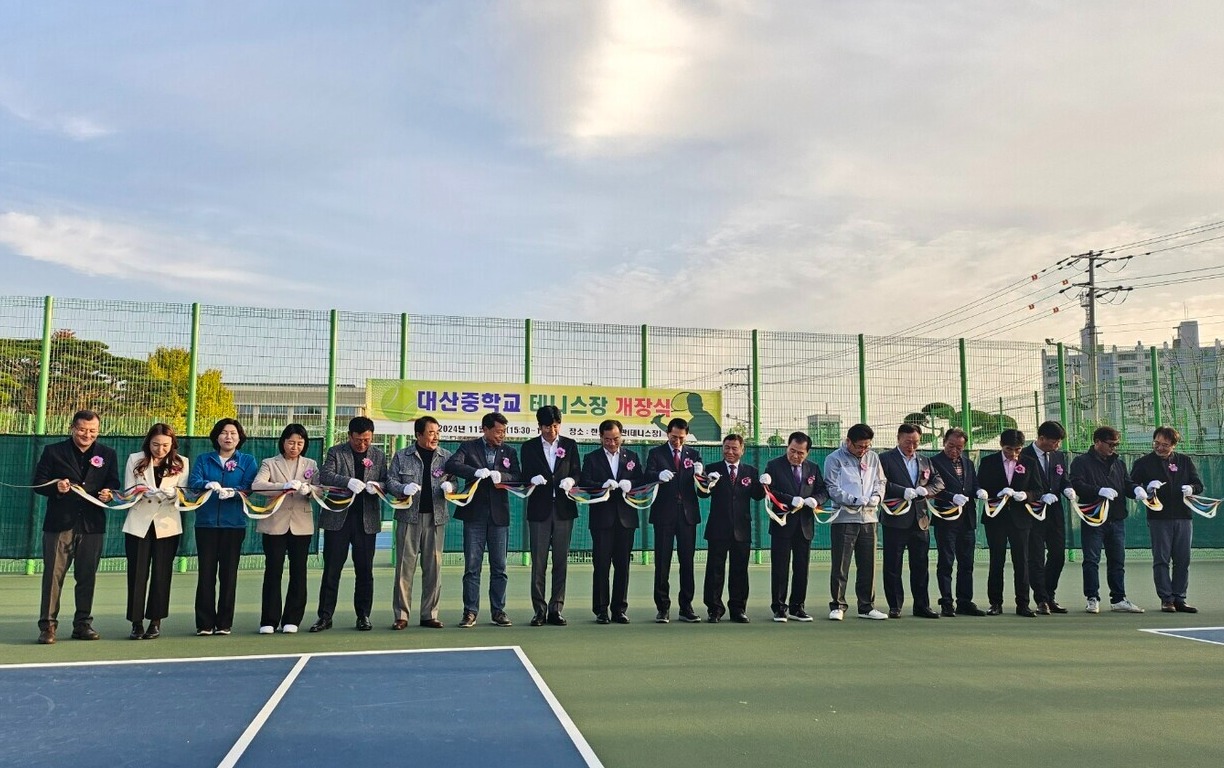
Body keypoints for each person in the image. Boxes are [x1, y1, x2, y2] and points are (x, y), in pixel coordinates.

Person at [33, 409, 119, 644]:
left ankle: (82, 625)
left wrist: (108, 493)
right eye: (82, 429)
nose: (87, 435)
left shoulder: (108, 454)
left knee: (87, 576)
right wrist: (56, 487)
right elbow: (38, 484)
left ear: (98, 431)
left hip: (92, 525)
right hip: (59, 524)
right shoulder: (53, 451)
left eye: (92, 431)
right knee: (52, 576)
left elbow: (114, 483)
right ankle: (48, 626)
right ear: (72, 428)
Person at [311, 416, 388, 632]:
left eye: (367, 440)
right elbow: (325, 475)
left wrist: (377, 486)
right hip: (338, 519)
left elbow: (387, 480)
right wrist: (347, 481)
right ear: (349, 436)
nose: (362, 444)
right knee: (332, 569)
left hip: (367, 520)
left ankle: (363, 615)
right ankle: (325, 616)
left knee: (365, 571)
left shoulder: (379, 455)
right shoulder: (336, 452)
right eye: (358, 440)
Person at [445, 411, 520, 628]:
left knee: (500, 567)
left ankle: (498, 611)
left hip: (499, 516)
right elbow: (452, 465)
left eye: (504, 432)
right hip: (474, 515)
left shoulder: (509, 451)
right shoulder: (468, 448)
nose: (501, 435)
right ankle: (470, 612)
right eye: (497, 431)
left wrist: (501, 476)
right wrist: (475, 472)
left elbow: (517, 476)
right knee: (472, 566)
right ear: (485, 429)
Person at [188, 417, 258, 636]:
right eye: (224, 433)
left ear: (240, 437)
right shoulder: (203, 459)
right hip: (206, 524)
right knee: (206, 574)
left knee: (228, 574)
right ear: (216, 436)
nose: (229, 437)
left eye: (233, 433)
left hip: (234, 525)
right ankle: (204, 624)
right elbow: (194, 482)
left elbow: (249, 487)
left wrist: (235, 492)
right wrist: (207, 484)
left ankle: (225, 623)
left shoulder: (247, 460)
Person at [1069, 425, 1147, 614]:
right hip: (1093, 518)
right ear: (1097, 442)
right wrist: (1098, 491)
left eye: (1116, 444)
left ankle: (1119, 599)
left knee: (1117, 560)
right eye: (1110, 444)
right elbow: (1077, 484)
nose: (1114, 448)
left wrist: (1136, 490)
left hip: (1116, 519)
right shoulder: (1081, 462)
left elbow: (1126, 484)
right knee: (1091, 559)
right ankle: (1092, 598)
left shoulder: (1119, 463)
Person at [122, 423, 188, 640]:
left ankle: (156, 621)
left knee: (162, 574)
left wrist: (173, 494)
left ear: (172, 445)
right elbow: (128, 491)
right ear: (148, 442)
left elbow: (185, 495)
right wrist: (140, 491)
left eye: (165, 445)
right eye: (156, 444)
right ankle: (136, 622)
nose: (160, 449)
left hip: (167, 525)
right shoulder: (135, 459)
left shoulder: (182, 463)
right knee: (137, 573)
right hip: (139, 524)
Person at [385, 415, 452, 629]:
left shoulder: (445, 457)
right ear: (418, 435)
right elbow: (390, 481)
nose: (435, 437)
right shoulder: (402, 456)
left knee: (434, 568)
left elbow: (454, 481)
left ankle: (429, 614)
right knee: (405, 567)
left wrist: (450, 487)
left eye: (437, 432)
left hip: (436, 517)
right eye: (431, 432)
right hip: (408, 518)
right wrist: (402, 489)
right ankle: (402, 615)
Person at [251, 423, 318, 634]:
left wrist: (309, 489)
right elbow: (257, 485)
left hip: (301, 524)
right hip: (275, 523)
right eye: (291, 442)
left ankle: (292, 619)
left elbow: (319, 490)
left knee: (299, 572)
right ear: (283, 442)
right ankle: (269, 620)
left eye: (299, 443)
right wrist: (283, 486)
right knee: (273, 571)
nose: (295, 447)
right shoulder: (269, 463)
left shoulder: (311, 464)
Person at [519, 405, 581, 627]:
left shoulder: (570, 445)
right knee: (539, 562)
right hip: (539, 510)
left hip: (564, 510)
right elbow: (523, 473)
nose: (552, 431)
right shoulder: (529, 447)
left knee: (561, 561)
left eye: (555, 426)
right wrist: (532, 479)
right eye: (547, 427)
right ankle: (539, 610)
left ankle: (556, 608)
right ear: (539, 426)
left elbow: (576, 472)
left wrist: (571, 481)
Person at [1131, 426, 1204, 613]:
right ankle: (1166, 599)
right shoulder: (1144, 463)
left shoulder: (1185, 461)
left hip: (1183, 516)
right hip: (1158, 518)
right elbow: (1131, 484)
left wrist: (1191, 489)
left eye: (1165, 444)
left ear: (1173, 445)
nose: (1160, 447)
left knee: (1182, 559)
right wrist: (1146, 488)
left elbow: (1198, 485)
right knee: (1161, 559)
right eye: (1156, 443)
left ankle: (1180, 597)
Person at [879, 423, 945, 618]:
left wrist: (928, 490)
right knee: (893, 565)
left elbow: (939, 482)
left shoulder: (925, 460)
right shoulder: (884, 459)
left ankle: (922, 605)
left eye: (916, 442)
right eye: (908, 442)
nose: (912, 446)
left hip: (920, 520)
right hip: (895, 519)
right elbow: (880, 483)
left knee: (920, 565)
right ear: (898, 438)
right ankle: (895, 605)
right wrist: (902, 491)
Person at [580, 419, 644, 624]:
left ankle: (619, 609)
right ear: (600, 438)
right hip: (602, 519)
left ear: (621, 436)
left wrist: (630, 483)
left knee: (623, 565)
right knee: (601, 565)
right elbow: (584, 483)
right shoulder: (591, 458)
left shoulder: (632, 456)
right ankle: (601, 609)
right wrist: (602, 485)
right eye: (607, 439)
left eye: (615, 439)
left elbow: (641, 481)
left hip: (626, 519)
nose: (612, 443)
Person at [761, 431, 828, 622]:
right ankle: (779, 608)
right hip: (782, 523)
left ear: (807, 452)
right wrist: (791, 499)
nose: (795, 455)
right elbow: (770, 491)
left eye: (800, 452)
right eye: (792, 450)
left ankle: (797, 607)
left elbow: (823, 490)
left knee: (802, 568)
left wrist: (816, 500)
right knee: (780, 568)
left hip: (804, 526)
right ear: (787, 447)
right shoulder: (774, 465)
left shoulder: (813, 468)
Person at [823, 424, 887, 621]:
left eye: (867, 446)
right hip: (844, 518)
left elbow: (880, 481)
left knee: (868, 564)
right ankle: (838, 605)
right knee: (841, 564)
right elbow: (831, 486)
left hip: (869, 518)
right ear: (848, 441)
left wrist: (877, 496)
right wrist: (853, 499)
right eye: (860, 446)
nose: (863, 450)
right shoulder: (834, 459)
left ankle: (866, 607)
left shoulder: (873, 457)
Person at [698, 434, 764, 623]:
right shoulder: (712, 469)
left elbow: (758, 496)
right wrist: (707, 483)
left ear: (742, 450)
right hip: (718, 528)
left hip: (742, 529)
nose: (730, 452)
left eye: (735, 448)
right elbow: (701, 494)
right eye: (727, 447)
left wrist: (764, 484)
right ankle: (714, 609)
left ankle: (738, 609)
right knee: (714, 570)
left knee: (740, 571)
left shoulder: (750, 471)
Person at [645, 417, 704, 623]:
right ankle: (663, 608)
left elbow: (703, 487)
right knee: (662, 562)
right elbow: (647, 475)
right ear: (667, 433)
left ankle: (686, 607)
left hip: (687, 516)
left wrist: (703, 476)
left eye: (681, 437)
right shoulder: (655, 453)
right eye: (673, 437)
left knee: (687, 562)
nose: (677, 441)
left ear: (686, 436)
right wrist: (657, 475)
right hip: (664, 514)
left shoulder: (694, 454)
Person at [976, 429, 1039, 617]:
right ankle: (995, 603)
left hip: (1021, 519)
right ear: (1001, 445)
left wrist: (1024, 495)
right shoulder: (988, 462)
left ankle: (1023, 604)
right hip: (996, 518)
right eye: (1009, 449)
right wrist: (991, 493)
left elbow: (1038, 489)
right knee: (997, 560)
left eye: (1017, 449)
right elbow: (980, 485)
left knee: (1022, 561)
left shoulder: (1029, 462)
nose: (1013, 454)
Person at [929, 428, 986, 616]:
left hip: (967, 519)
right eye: (951, 445)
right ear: (944, 441)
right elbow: (931, 489)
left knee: (966, 563)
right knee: (946, 561)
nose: (955, 450)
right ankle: (946, 602)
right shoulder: (934, 462)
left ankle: (964, 601)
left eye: (959, 447)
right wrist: (951, 497)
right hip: (946, 518)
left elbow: (973, 484)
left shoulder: (968, 463)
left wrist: (978, 491)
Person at [1022, 421, 1073, 614]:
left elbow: (1063, 478)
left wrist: (1067, 488)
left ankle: (1050, 594)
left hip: (1055, 512)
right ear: (1041, 438)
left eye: (1059, 442)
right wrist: (1039, 495)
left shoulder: (1058, 456)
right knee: (1035, 556)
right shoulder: (1024, 455)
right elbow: (1020, 483)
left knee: (1058, 554)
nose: (1057, 445)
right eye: (1054, 441)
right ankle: (1041, 598)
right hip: (1032, 512)